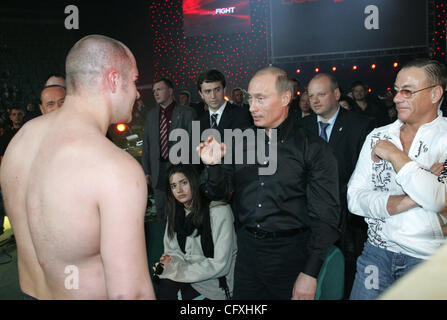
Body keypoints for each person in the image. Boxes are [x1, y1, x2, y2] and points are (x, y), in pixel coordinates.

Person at [0, 34, 155, 300]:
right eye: (133, 81)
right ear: (114, 79)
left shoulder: (21, 140)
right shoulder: (116, 169)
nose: (137, 92)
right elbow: (131, 295)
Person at [197, 66, 341, 300]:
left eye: (260, 99)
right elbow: (217, 193)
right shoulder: (241, 142)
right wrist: (212, 165)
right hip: (247, 253)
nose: (252, 107)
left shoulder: (313, 149)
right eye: (250, 98)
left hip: (291, 256)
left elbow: (326, 216)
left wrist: (310, 272)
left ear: (286, 98)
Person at [347, 58, 447, 300]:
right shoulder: (378, 135)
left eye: (408, 91)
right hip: (376, 254)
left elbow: (438, 200)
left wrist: (395, 156)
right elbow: (354, 199)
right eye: (396, 90)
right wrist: (414, 197)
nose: (397, 98)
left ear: (435, 94)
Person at [301, 73, 374, 298]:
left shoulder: (360, 125)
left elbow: (365, 175)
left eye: (321, 94)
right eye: (311, 95)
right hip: (308, 215)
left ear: (336, 94)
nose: (315, 100)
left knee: (343, 274)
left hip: (347, 218)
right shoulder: (300, 127)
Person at [154, 164, 237, 300]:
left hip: (215, 283)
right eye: (174, 186)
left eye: (184, 183)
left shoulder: (219, 211)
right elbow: (173, 251)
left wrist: (178, 271)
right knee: (163, 285)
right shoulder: (175, 214)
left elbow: (220, 265)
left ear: (195, 182)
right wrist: (169, 263)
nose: (179, 190)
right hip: (187, 275)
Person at [142, 78, 196, 219]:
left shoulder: (187, 113)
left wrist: (192, 170)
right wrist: (146, 171)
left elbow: (194, 143)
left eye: (159, 89)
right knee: (162, 212)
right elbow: (147, 145)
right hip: (158, 171)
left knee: (184, 211)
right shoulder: (151, 116)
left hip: (181, 169)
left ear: (170, 91)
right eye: (154, 91)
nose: (155, 93)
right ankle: (166, 240)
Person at [197, 70, 252, 144]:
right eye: (207, 91)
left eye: (217, 90)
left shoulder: (242, 115)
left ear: (224, 89)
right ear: (201, 94)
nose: (213, 96)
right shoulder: (198, 122)